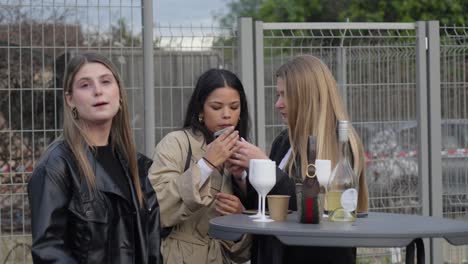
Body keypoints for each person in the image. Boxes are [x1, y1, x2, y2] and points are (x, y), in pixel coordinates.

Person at [230, 55, 369, 264]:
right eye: (278, 95)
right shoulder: (284, 141)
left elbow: (318, 209)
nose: (278, 104)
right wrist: (242, 177)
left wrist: (268, 169)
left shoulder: (341, 143)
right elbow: (269, 208)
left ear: (307, 96)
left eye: (285, 95)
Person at [28, 53, 161, 264]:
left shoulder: (137, 165)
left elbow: (152, 246)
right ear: (70, 99)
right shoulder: (56, 167)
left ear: (119, 92)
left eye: (106, 81)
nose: (98, 91)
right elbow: (48, 252)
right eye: (85, 85)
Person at [149, 68, 251, 264]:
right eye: (216, 107)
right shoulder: (176, 143)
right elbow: (158, 207)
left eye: (234, 107)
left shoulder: (243, 155)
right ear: (200, 110)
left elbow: (244, 251)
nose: (227, 115)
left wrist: (239, 216)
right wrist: (206, 164)